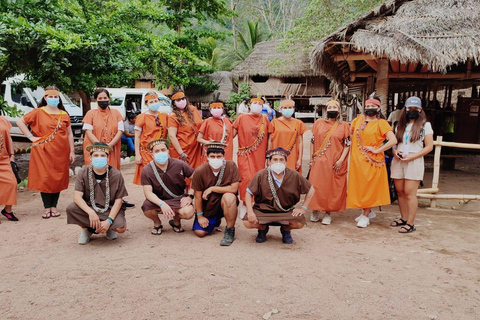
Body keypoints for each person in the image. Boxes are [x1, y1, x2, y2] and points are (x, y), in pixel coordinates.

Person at [17, 86, 75, 218]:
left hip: (61, 151)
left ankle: (54, 206)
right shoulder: (37, 112)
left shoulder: (64, 114)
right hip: (43, 150)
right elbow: (20, 122)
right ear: (45, 97)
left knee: (58, 178)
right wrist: (31, 137)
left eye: (55, 97)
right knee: (45, 178)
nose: (53, 99)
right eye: (50, 96)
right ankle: (46, 207)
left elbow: (70, 134)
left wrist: (72, 151)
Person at [243, 148, 315, 244]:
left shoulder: (294, 175)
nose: (278, 162)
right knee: (247, 222)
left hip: (285, 210)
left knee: (299, 223)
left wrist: (303, 208)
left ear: (285, 161)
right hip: (263, 210)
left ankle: (285, 230)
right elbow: (248, 192)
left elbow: (311, 190)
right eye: (275, 159)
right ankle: (263, 229)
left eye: (281, 160)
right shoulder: (261, 175)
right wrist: (250, 211)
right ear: (269, 162)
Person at [347, 96, 397, 228]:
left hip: (372, 161)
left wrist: (378, 150)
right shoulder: (358, 120)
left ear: (378, 108)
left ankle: (366, 214)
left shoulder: (382, 123)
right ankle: (367, 211)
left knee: (369, 187)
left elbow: (393, 140)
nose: (370, 109)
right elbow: (350, 134)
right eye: (368, 106)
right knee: (360, 187)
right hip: (357, 161)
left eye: (373, 106)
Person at [66, 142, 128, 244]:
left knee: (121, 228)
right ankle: (87, 229)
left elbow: (119, 200)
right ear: (90, 157)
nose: (99, 158)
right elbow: (77, 197)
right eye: (96, 155)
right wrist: (90, 212)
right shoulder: (83, 172)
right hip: (90, 208)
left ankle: (109, 228)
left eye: (103, 155)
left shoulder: (116, 174)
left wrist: (109, 221)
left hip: (109, 209)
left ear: (107, 158)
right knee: (71, 209)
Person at [390, 96, 434, 233]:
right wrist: (395, 152)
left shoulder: (425, 125)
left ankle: (411, 222)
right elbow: (394, 143)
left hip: (414, 160)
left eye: (415, 108)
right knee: (400, 192)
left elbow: (429, 146)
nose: (412, 111)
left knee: (410, 192)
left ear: (420, 110)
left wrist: (412, 156)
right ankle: (403, 218)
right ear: (405, 109)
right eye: (410, 108)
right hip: (399, 160)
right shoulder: (399, 125)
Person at [308, 100, 350, 225]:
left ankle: (328, 212)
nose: (332, 109)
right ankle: (315, 209)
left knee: (331, 187)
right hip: (319, 160)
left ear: (339, 110)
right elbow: (312, 141)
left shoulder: (344, 126)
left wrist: (341, 160)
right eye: (330, 107)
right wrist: (311, 158)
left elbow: (347, 145)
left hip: (334, 161)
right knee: (316, 185)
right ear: (326, 109)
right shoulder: (318, 123)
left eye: (335, 107)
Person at [141, 139, 195, 235]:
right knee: (147, 208)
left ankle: (176, 220)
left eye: (163, 150)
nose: (161, 153)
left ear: (168, 151)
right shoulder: (147, 170)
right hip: (158, 200)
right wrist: (162, 204)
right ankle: (157, 223)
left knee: (188, 212)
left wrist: (190, 196)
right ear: (152, 155)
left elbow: (196, 179)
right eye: (157, 151)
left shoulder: (179, 164)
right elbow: (148, 193)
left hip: (178, 198)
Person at [191, 142, 240, 246]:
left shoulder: (231, 166)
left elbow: (234, 189)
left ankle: (230, 230)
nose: (216, 159)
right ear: (207, 157)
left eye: (219, 156)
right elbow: (198, 196)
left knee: (229, 197)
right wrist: (200, 216)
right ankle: (215, 220)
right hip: (208, 207)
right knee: (200, 233)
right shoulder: (200, 171)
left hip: (225, 203)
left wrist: (212, 188)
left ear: (223, 156)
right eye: (212, 156)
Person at [232, 97, 270, 215]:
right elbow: (231, 135)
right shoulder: (242, 118)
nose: (257, 105)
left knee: (258, 179)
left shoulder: (265, 119)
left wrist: (268, 155)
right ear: (250, 104)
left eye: (260, 104)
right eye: (255, 103)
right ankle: (244, 203)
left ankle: (256, 203)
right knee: (246, 178)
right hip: (245, 154)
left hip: (260, 155)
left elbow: (269, 138)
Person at [133, 91, 169, 185]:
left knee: (163, 175)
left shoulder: (164, 116)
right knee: (151, 177)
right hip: (147, 152)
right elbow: (137, 137)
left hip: (161, 150)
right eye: (151, 102)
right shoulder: (142, 117)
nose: (154, 103)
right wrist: (137, 154)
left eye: (155, 101)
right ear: (146, 104)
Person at [83, 88, 124, 170]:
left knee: (112, 173)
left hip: (112, 148)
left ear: (109, 99)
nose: (103, 100)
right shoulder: (90, 114)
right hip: (94, 149)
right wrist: (100, 147)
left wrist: (109, 146)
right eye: (100, 98)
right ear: (96, 100)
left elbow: (120, 131)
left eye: (105, 98)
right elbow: (88, 132)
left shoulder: (116, 113)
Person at [268, 98, 307, 173]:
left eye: (290, 107)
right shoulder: (274, 122)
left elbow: (300, 143)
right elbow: (269, 141)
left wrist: (299, 159)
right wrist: (268, 157)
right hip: (277, 156)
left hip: (293, 157)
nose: (287, 109)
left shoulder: (298, 123)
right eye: (285, 108)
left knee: (291, 178)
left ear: (294, 108)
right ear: (281, 109)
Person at [168, 90, 203, 169]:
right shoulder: (173, 116)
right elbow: (172, 136)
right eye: (178, 100)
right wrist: (181, 153)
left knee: (195, 173)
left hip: (195, 149)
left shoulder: (193, 110)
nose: (181, 101)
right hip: (182, 150)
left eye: (183, 99)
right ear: (174, 103)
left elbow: (201, 125)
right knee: (183, 174)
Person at [197, 97, 234, 161]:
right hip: (211, 153)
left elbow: (232, 136)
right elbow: (199, 138)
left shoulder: (227, 121)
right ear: (210, 109)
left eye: (219, 108)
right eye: (214, 108)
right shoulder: (207, 122)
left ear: (222, 109)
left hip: (225, 154)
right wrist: (209, 143)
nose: (217, 109)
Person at [0, 116, 18, 222]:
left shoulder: (2, 119)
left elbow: (9, 138)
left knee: (12, 182)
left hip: (4, 159)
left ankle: (7, 210)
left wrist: (12, 155)